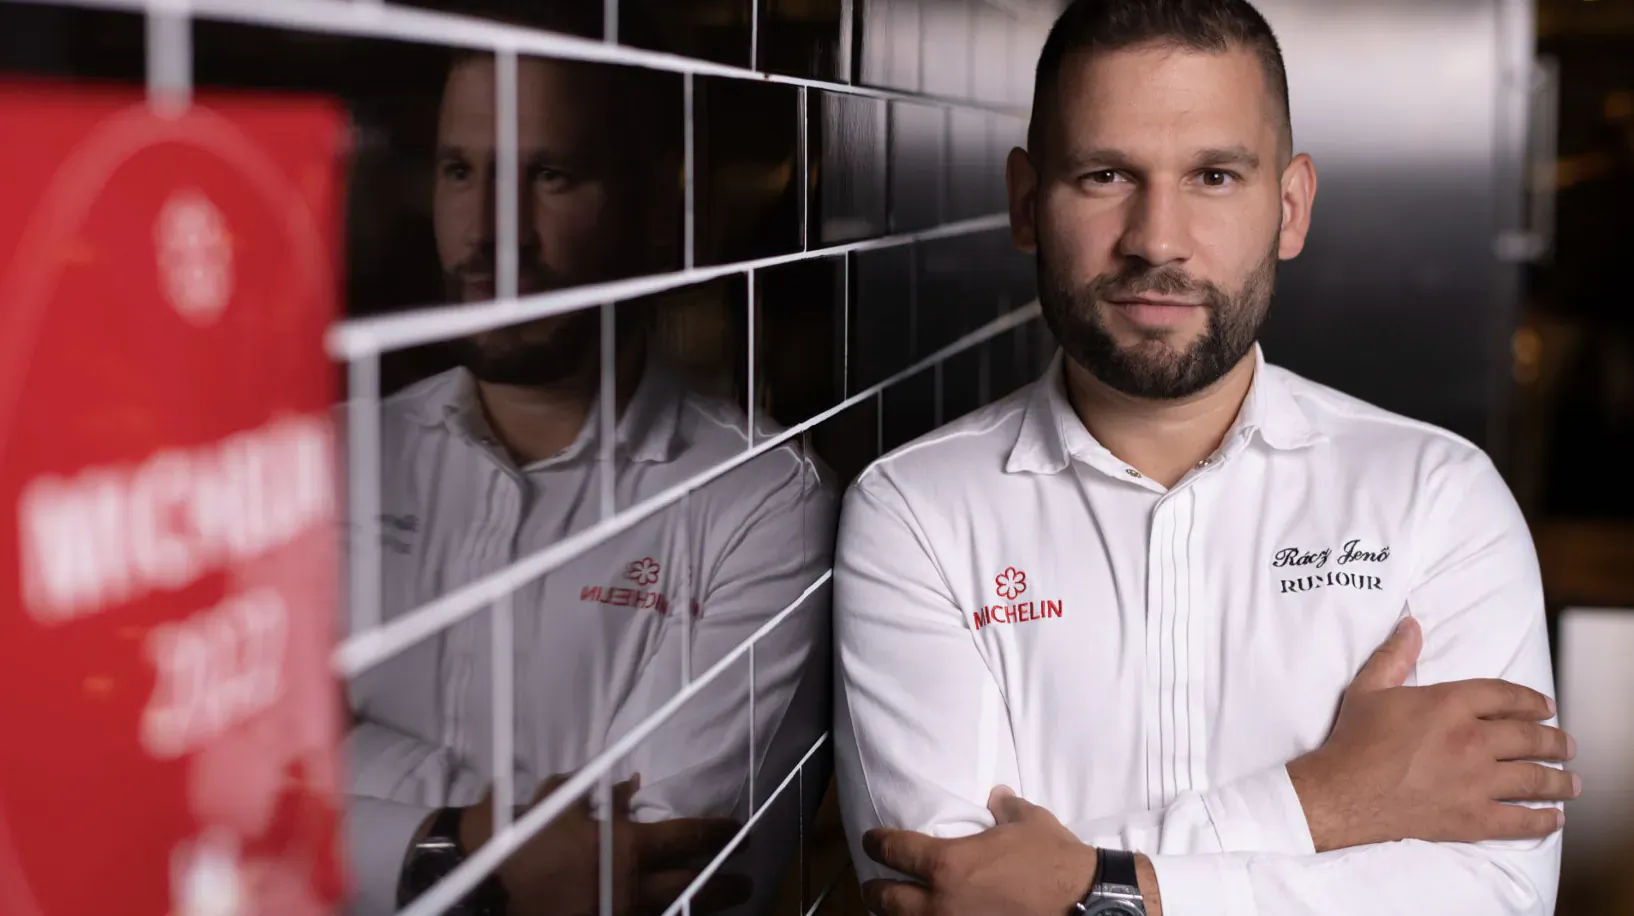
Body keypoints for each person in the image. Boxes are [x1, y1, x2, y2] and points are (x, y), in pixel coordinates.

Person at [832, 2, 1578, 914]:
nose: (1157, 239)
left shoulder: (1438, 501)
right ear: (1027, 202)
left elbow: (1493, 896)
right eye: (1106, 175)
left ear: (1290, 207)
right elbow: (947, 889)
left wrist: (1103, 888)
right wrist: (1326, 801)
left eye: (1215, 176)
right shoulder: (916, 512)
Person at [344, 49, 835, 916]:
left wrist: (358, 787)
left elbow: (662, 867)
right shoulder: (329, 457)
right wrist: (470, 847)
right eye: (461, 171)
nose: (492, 232)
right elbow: (207, 783)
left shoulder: (760, 500)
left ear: (656, 211)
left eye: (551, 176)